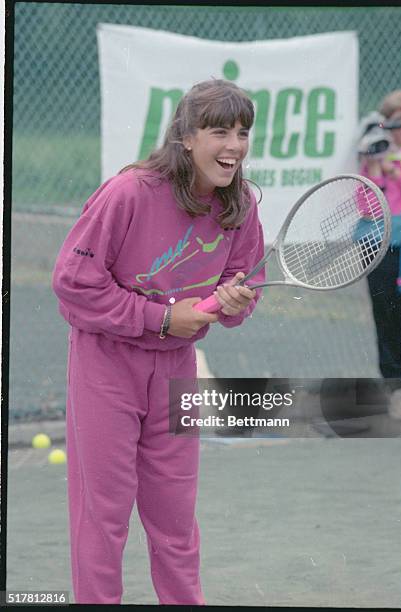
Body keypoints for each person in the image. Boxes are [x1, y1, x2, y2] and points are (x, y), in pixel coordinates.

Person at [52, 79, 265, 604]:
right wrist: (163, 318)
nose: (234, 146)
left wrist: (234, 303)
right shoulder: (128, 192)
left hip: (175, 373)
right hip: (105, 366)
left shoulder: (241, 206)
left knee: (175, 521)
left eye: (242, 133)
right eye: (219, 131)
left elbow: (242, 288)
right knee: (103, 519)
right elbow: (73, 285)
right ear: (186, 137)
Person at [358, 90, 401, 420]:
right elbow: (366, 208)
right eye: (394, 119)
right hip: (381, 252)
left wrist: (396, 172)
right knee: (387, 322)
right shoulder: (371, 157)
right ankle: (397, 390)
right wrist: (376, 169)